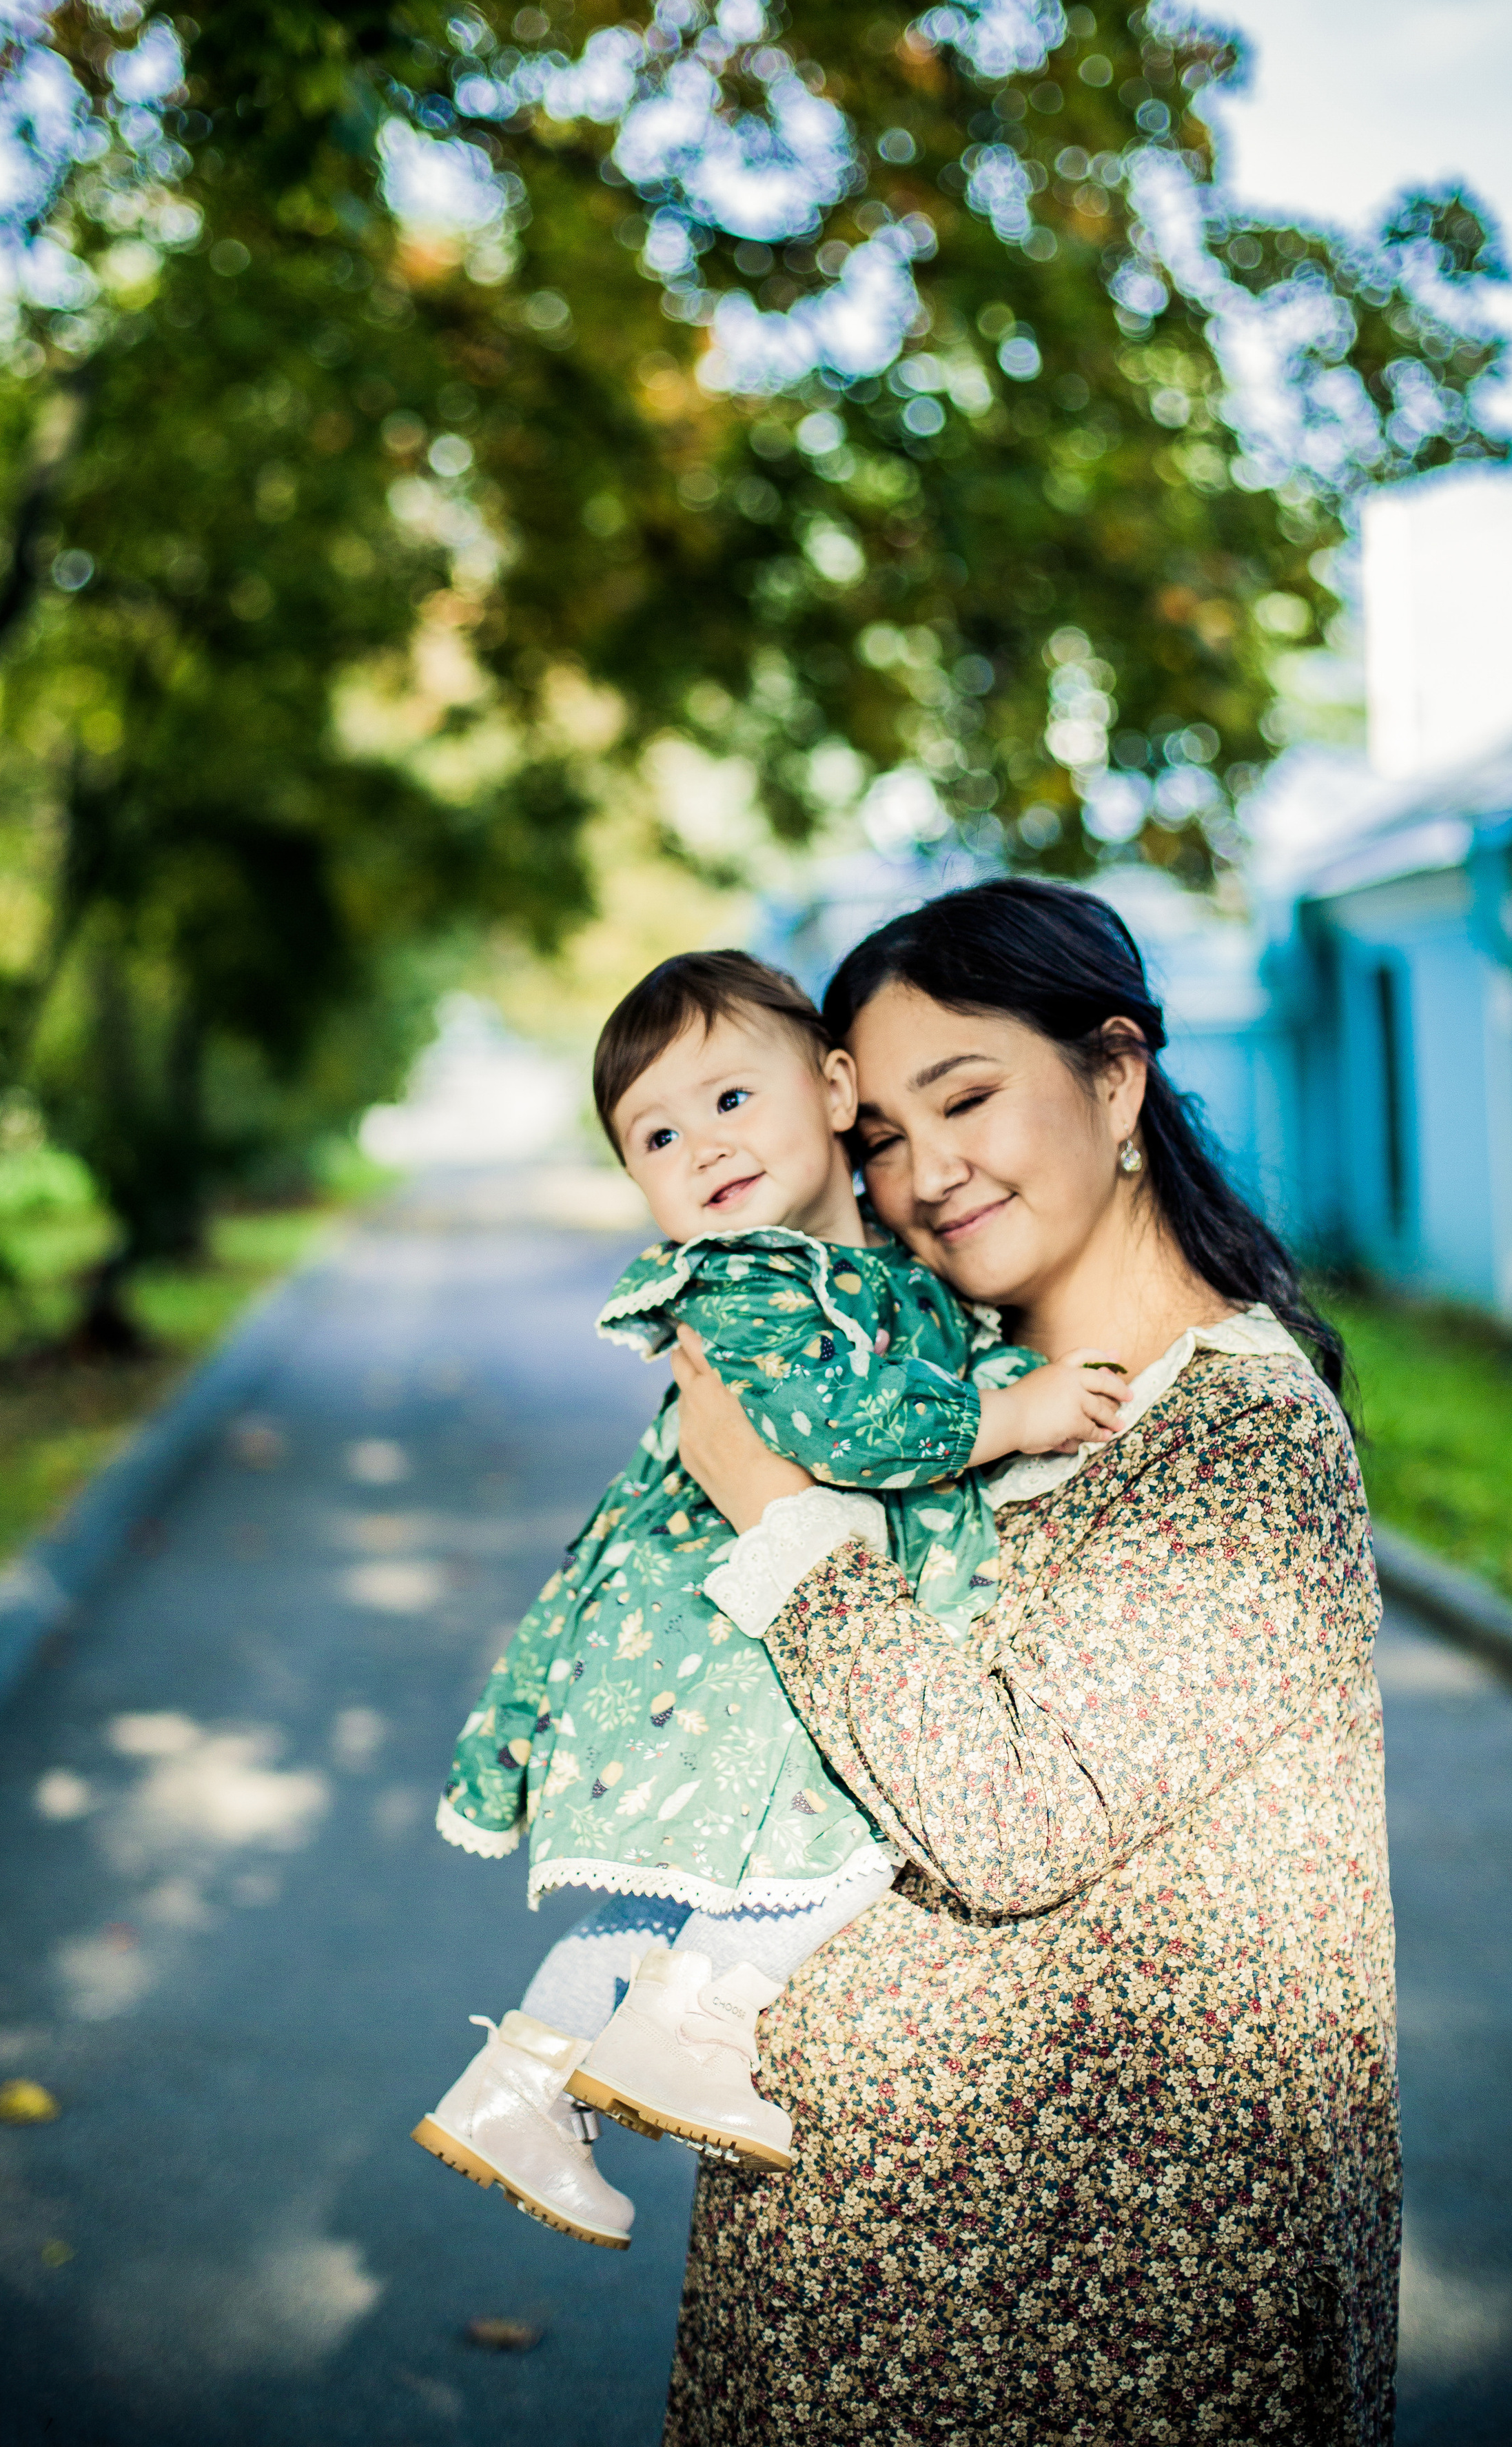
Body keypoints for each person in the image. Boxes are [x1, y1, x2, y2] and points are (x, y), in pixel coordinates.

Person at [657, 880, 1400, 2446]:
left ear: (1113, 1078)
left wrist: (781, 1523)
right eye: (874, 1140)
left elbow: (1012, 1817)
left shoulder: (1236, 1436)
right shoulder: (959, 1398)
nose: (923, 1175)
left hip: (1099, 2322)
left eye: (969, 1097)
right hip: (846, 2275)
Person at [411, 949, 1128, 2250]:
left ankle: (528, 2076)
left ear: (835, 1086)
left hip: (738, 1623)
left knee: (671, 1883)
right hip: (711, 1629)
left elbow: (926, 1354)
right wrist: (1012, 1410)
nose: (704, 1148)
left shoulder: (871, 1272)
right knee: (856, 1828)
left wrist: (1013, 1367)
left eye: (732, 1100)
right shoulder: (743, 1282)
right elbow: (841, 1426)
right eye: (658, 1135)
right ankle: (696, 2026)